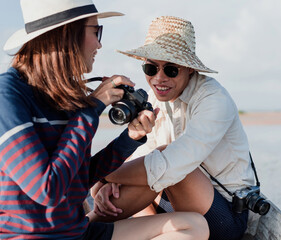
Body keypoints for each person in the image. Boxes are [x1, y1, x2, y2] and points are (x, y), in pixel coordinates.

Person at [0, 2, 209, 239]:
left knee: (194, 225)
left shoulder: (65, 92)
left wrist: (130, 138)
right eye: (95, 32)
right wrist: (91, 108)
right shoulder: (8, 94)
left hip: (78, 233)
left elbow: (78, 178)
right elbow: (47, 190)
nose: (100, 44)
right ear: (68, 34)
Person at [91, 16, 257, 240]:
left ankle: (82, 227)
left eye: (170, 70)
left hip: (224, 215)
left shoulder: (213, 99)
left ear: (189, 69)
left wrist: (103, 175)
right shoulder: (155, 98)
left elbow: (171, 166)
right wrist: (105, 185)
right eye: (151, 68)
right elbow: (142, 156)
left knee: (164, 163)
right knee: (143, 169)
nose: (159, 78)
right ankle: (80, 228)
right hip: (172, 202)